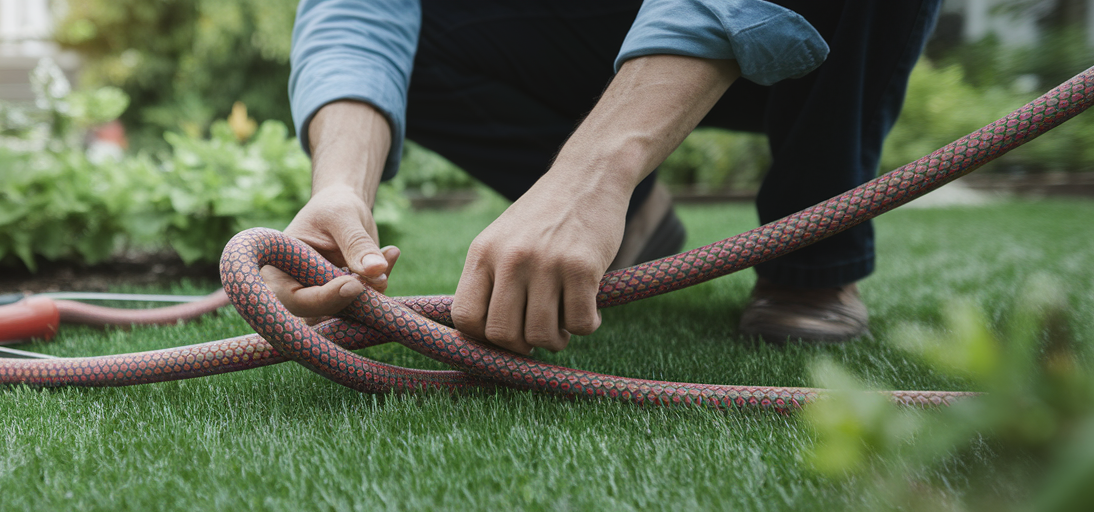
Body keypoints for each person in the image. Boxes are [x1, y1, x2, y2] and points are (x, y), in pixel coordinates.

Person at [262, 0, 942, 355]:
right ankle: (634, 219)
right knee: (431, 31)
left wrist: (592, 175)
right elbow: (360, 10)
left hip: (817, 20)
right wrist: (341, 183)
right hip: (607, 22)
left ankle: (811, 262)